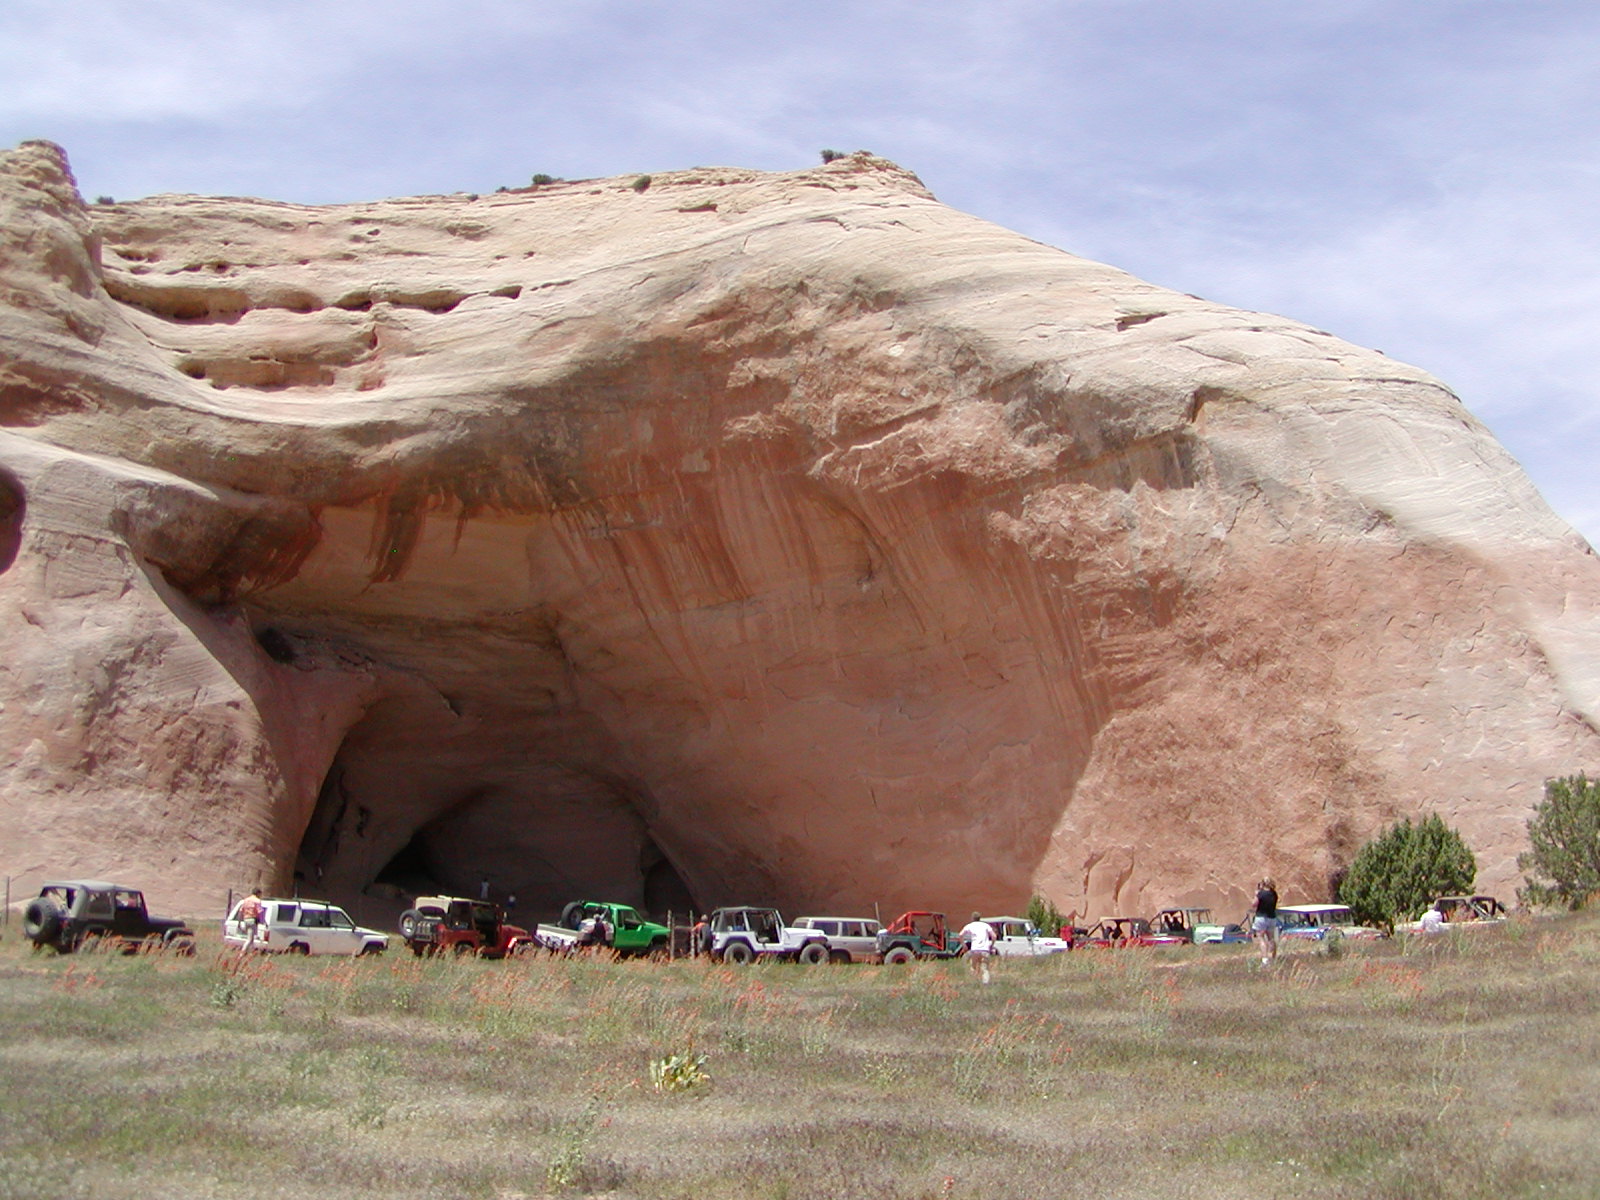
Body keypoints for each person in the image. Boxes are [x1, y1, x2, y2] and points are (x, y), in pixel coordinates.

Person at [959, 912, 996, 984]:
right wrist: (991, 945)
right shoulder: (985, 925)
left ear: (972, 918)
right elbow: (994, 936)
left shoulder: (969, 926)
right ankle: (985, 983)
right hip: (985, 950)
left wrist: (964, 945)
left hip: (975, 950)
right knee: (985, 969)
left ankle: (973, 982)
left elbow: (960, 935)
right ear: (980, 918)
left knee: (973, 967)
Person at [1252, 878, 1280, 968]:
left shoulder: (1261, 894)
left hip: (1261, 917)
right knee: (1271, 938)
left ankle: (1265, 960)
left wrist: (1256, 894)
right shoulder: (1274, 894)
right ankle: (1273, 958)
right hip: (1272, 917)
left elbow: (1254, 904)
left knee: (1261, 938)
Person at [237, 889, 265, 953]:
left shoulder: (246, 900)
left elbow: (241, 911)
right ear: (258, 893)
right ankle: (241, 954)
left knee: (251, 939)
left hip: (246, 919)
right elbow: (260, 911)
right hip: (252, 920)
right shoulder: (257, 901)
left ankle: (251, 953)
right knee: (249, 940)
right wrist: (262, 921)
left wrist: (239, 922)